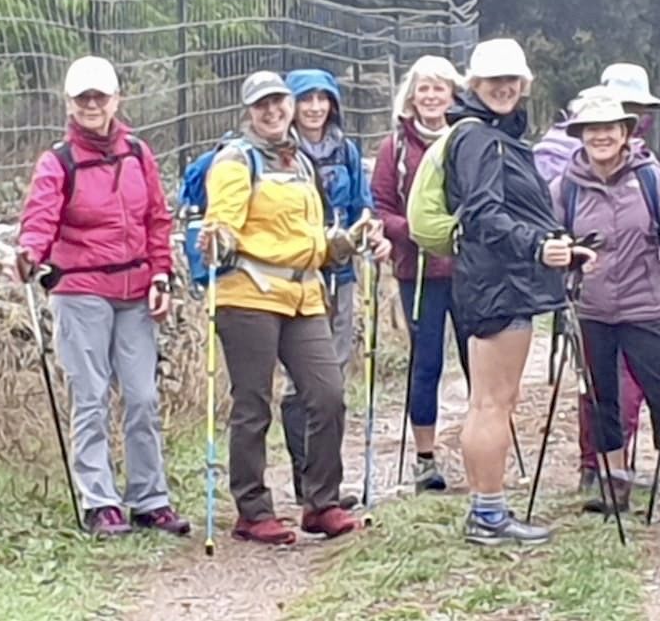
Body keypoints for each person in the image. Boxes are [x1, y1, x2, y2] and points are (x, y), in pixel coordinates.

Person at [196, 70, 375, 545]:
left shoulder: (299, 162)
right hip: (248, 296)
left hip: (303, 295)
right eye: (262, 105)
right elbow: (225, 221)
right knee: (253, 404)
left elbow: (307, 236)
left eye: (279, 102)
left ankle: (321, 503)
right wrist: (219, 239)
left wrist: (345, 242)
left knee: (328, 394)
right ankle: (252, 511)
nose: (272, 111)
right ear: (248, 112)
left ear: (290, 106)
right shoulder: (235, 160)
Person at [16, 55, 190, 538]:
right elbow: (42, 215)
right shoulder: (58, 161)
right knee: (89, 397)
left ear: (116, 99)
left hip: (135, 290)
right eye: (82, 98)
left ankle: (150, 499)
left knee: (142, 397)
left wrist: (161, 275)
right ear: (69, 104)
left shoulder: (138, 153)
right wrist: (31, 249)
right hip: (80, 290)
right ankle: (99, 502)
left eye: (100, 96)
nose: (92, 105)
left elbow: (157, 218)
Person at [446, 38, 594, 546]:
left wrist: (555, 245)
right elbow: (483, 213)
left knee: (491, 399)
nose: (504, 87)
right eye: (493, 80)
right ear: (474, 85)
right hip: (498, 284)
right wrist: (538, 247)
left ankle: (486, 510)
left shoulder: (489, 136)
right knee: (493, 402)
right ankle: (487, 515)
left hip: (496, 280)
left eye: (511, 80)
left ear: (524, 84)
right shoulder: (480, 140)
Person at [549, 94, 660, 523]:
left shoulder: (650, 178)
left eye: (610, 128)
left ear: (626, 133)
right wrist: (560, 253)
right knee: (601, 397)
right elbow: (550, 234)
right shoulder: (567, 185)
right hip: (591, 308)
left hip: (647, 307)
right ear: (580, 135)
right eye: (592, 129)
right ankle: (613, 478)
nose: (601, 136)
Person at [280, 68, 387, 509]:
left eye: (323, 99)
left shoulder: (345, 150)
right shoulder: (275, 154)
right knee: (297, 385)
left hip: (339, 275)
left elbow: (364, 205)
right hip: (294, 275)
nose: (315, 108)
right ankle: (306, 479)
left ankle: (323, 484)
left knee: (332, 381)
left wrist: (372, 233)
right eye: (306, 99)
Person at [372, 55, 471, 492]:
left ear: (454, 95)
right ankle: (425, 458)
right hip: (419, 270)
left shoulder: (469, 139)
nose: (431, 97)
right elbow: (380, 208)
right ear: (411, 96)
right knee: (425, 363)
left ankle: (483, 453)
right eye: (424, 89)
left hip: (469, 270)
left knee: (479, 363)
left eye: (440, 89)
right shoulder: (393, 147)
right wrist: (415, 229)